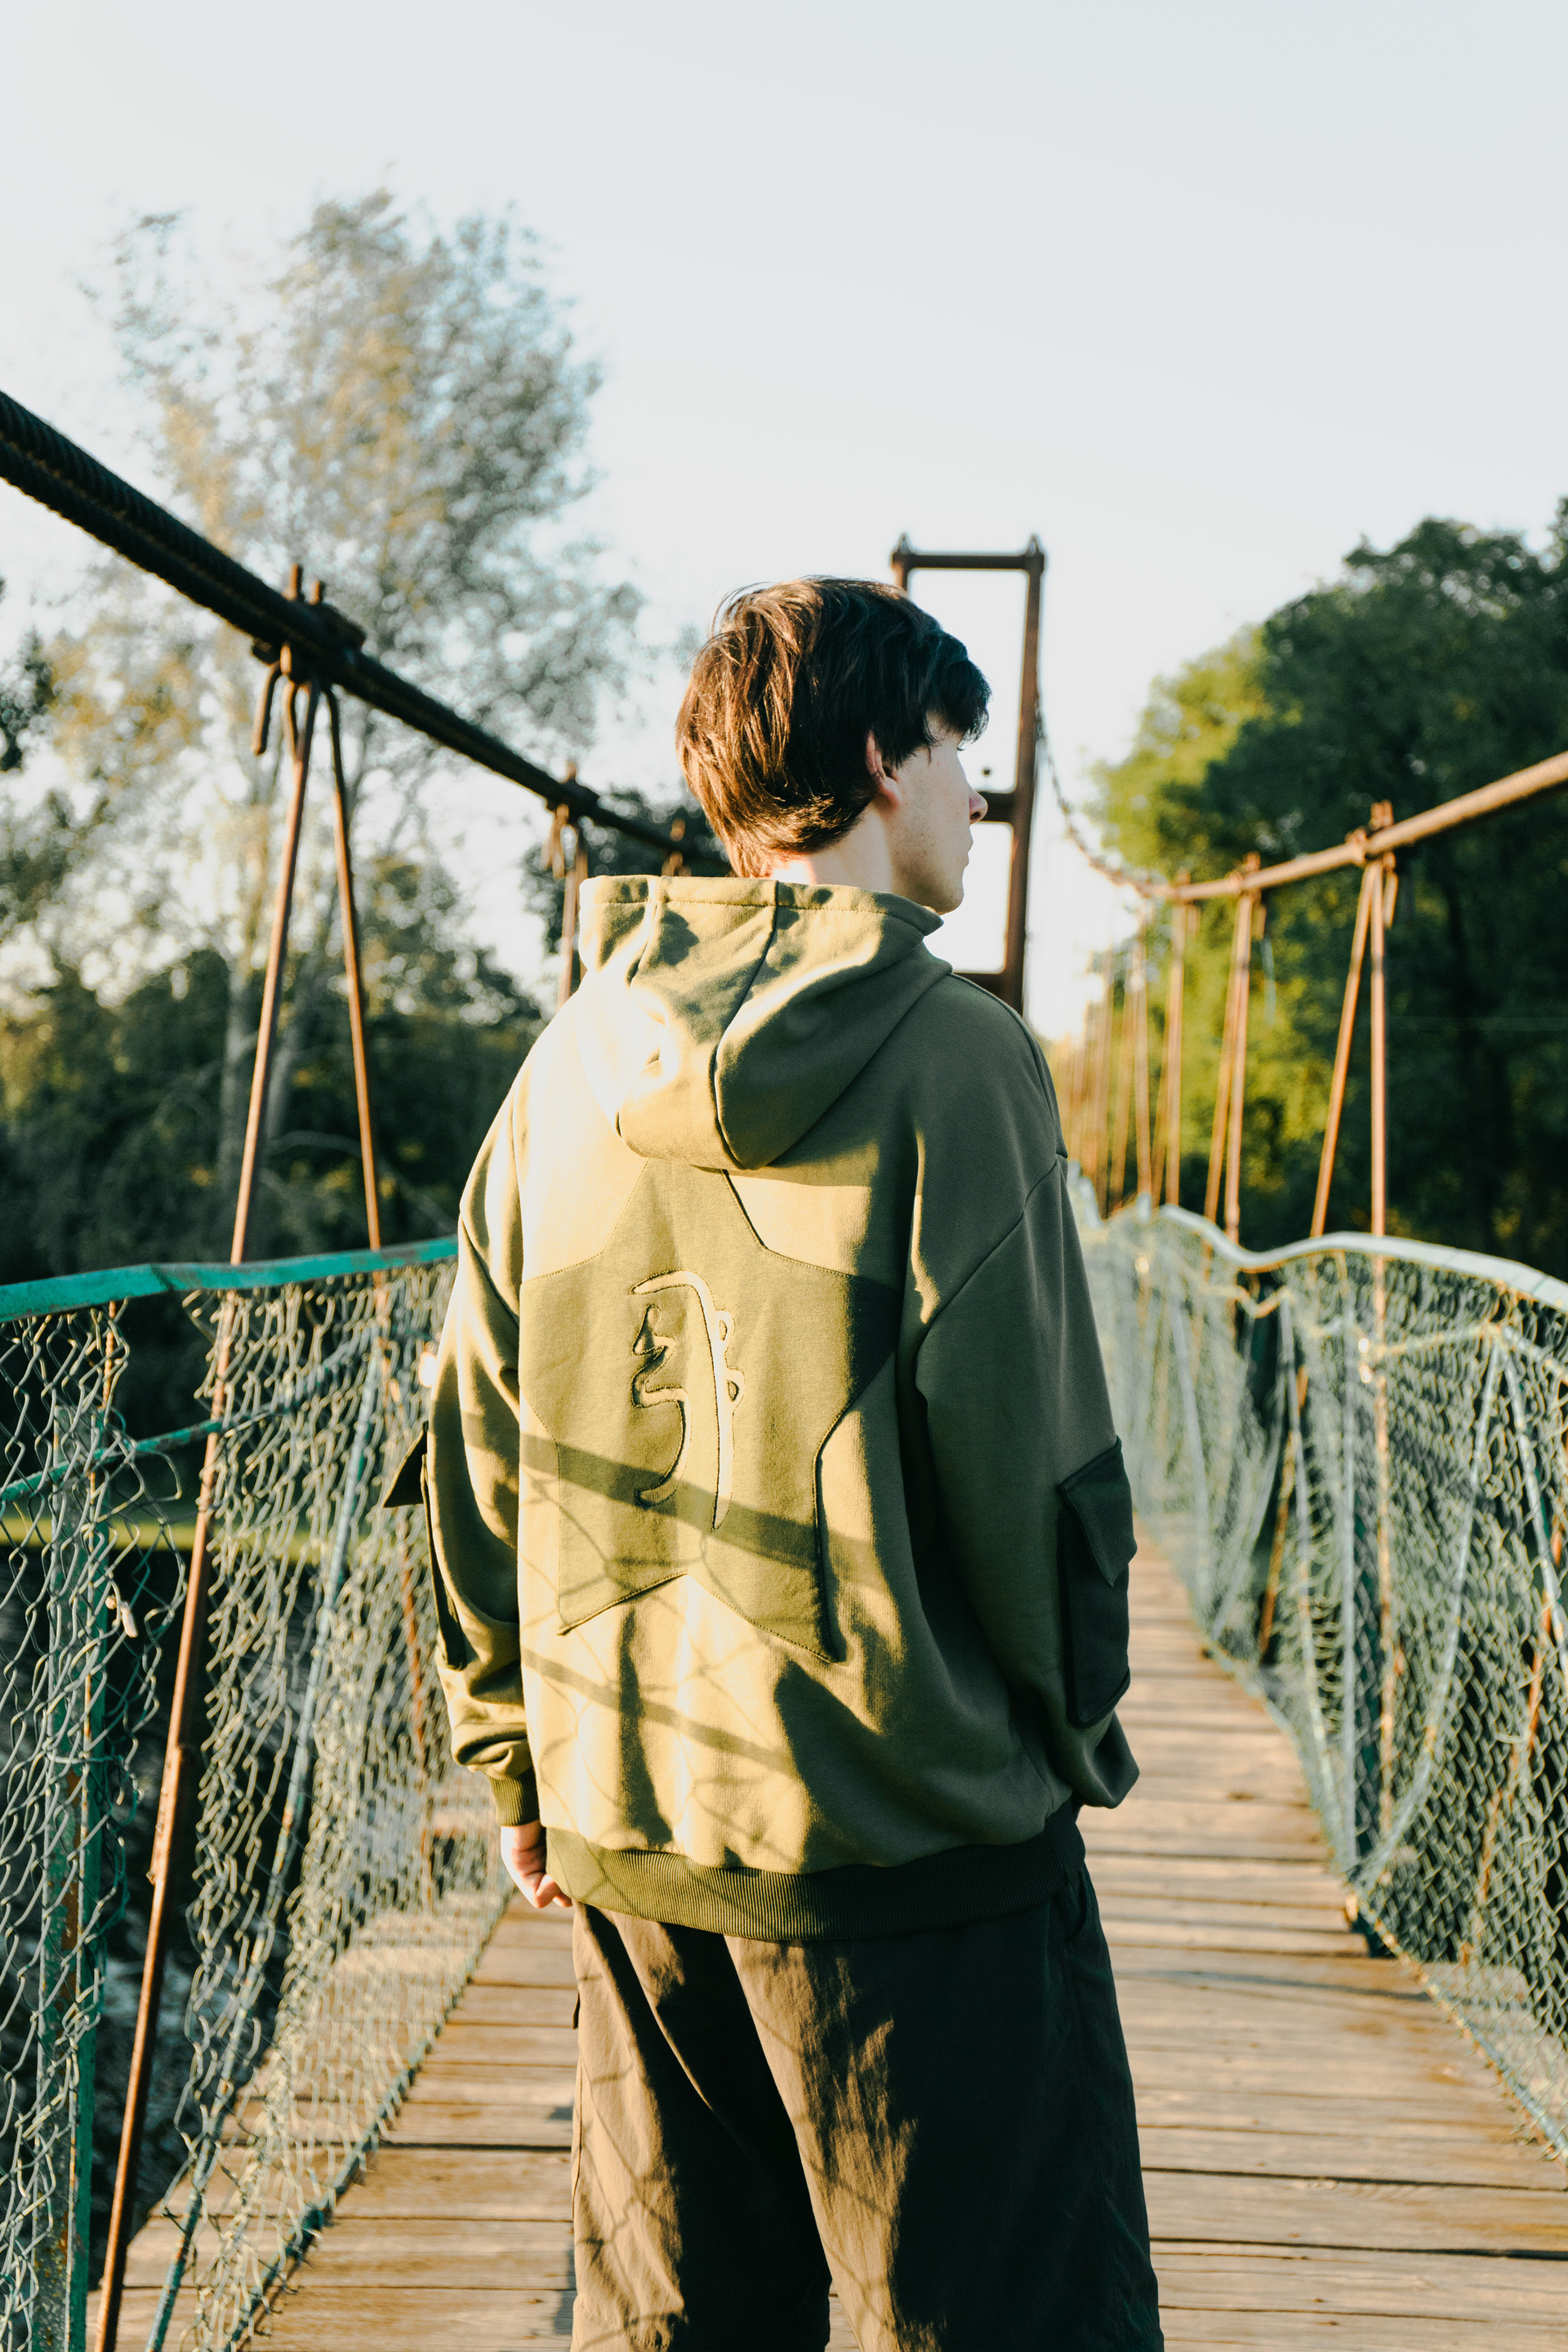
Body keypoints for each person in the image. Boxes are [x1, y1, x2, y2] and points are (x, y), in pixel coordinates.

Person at [421, 578, 1163, 2350]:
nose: (976, 798)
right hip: (917, 1847)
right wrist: (1072, 1735)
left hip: (633, 1829)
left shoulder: (566, 1063)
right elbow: (1041, 1476)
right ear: (880, 762)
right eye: (961, 753)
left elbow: (475, 1447)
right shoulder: (962, 1060)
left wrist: (515, 1755)